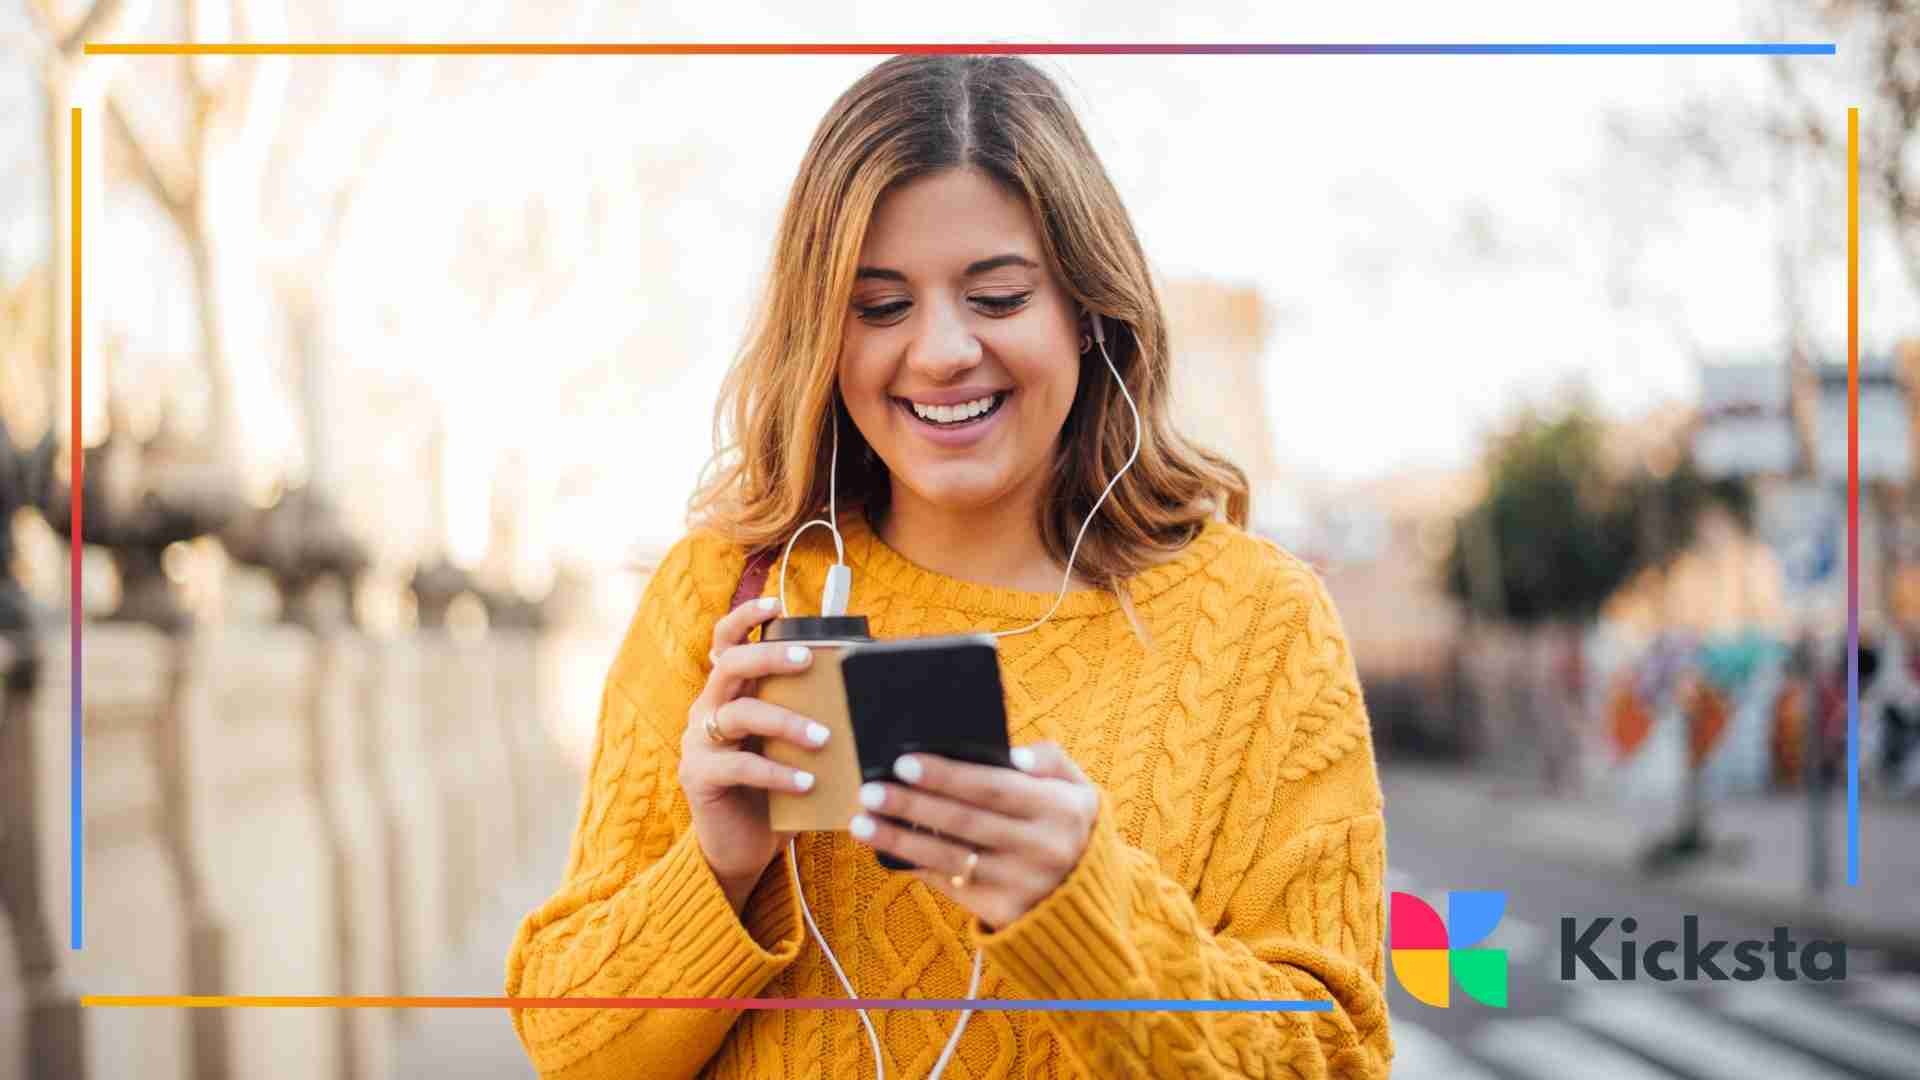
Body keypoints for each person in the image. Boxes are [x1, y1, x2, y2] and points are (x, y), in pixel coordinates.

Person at [506, 54, 1392, 1079]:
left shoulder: (1261, 622)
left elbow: (1338, 1056)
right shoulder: (722, 594)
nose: (940, 352)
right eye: (880, 307)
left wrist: (1086, 914)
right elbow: (569, 1045)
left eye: (998, 296)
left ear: (1087, 308)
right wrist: (717, 866)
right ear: (821, 332)